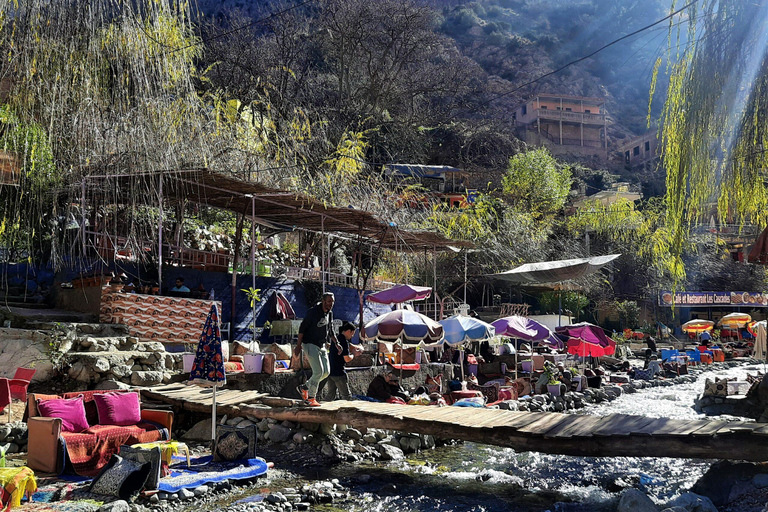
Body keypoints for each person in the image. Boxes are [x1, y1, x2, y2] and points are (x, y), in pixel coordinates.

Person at [294, 292, 335, 407]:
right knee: (318, 372)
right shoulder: (312, 312)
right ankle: (311, 398)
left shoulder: (330, 314)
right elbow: (302, 329)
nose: (330, 304)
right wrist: (298, 346)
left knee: (326, 372)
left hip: (321, 345)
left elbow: (330, 330)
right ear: (323, 301)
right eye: (328, 301)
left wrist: (336, 343)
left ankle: (305, 387)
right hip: (309, 343)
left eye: (332, 302)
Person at [318, 322, 362, 401]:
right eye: (352, 333)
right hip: (339, 372)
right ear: (349, 331)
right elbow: (347, 358)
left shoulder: (336, 339)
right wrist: (354, 355)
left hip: (330, 371)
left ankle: (322, 409)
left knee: (330, 396)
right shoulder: (343, 341)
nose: (352, 336)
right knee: (346, 396)